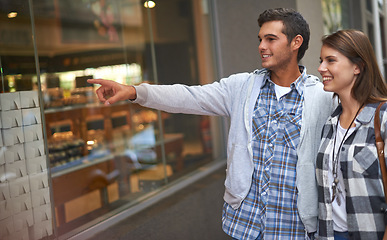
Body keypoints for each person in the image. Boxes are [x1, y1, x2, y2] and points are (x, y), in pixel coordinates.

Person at [88, 8, 334, 239]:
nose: (261, 46)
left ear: (296, 43)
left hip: (294, 227)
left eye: (271, 39)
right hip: (245, 225)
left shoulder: (322, 97)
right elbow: (188, 97)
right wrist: (134, 91)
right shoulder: (242, 88)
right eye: (260, 39)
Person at [316, 29, 387, 240]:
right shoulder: (330, 123)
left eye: (331, 60)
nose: (321, 68)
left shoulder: (382, 118)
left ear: (358, 66)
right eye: (321, 60)